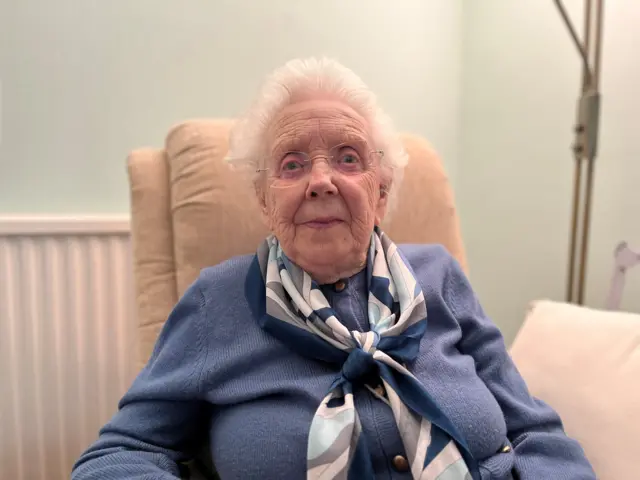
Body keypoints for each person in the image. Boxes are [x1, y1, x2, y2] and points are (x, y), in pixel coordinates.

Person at [72, 57, 595, 480]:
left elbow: (534, 431)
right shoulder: (219, 301)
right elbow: (122, 452)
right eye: (292, 165)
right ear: (264, 199)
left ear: (381, 190)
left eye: (348, 158)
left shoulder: (439, 275)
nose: (320, 181)